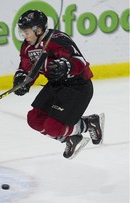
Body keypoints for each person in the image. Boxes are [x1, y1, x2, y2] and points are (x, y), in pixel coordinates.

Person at [13, 10, 105, 159]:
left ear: (39, 30)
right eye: (22, 32)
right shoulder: (27, 46)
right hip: (56, 85)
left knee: (52, 127)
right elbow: (26, 67)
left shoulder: (57, 39)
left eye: (27, 31)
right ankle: (70, 138)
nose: (24, 35)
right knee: (34, 119)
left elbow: (80, 62)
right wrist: (22, 80)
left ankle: (89, 123)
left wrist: (65, 65)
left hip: (77, 87)